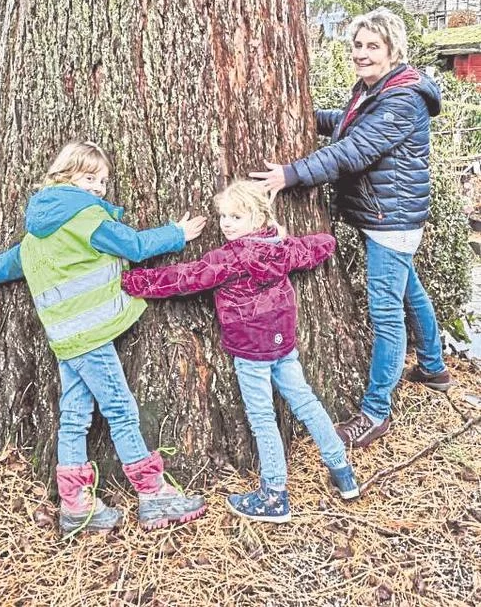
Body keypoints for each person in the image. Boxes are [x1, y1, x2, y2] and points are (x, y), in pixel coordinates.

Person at [0, 141, 208, 535]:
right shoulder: (87, 218)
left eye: (102, 181)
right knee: (120, 409)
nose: (98, 187)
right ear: (65, 175)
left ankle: (76, 505)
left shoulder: (39, 228)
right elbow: (133, 246)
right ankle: (153, 494)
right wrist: (177, 233)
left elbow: (16, 259)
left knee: (75, 416)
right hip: (91, 336)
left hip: (65, 338)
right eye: (89, 178)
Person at [250, 6, 450, 450]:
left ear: (393, 50)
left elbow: (355, 149)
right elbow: (347, 126)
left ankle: (376, 413)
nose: (362, 53)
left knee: (386, 315)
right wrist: (303, 113)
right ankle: (434, 368)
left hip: (391, 221)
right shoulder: (374, 89)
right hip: (386, 215)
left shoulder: (402, 99)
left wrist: (292, 174)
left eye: (372, 46)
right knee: (410, 290)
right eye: (357, 45)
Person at [122, 180, 359, 525]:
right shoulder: (281, 248)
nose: (227, 224)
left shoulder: (229, 258)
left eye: (236, 216)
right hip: (282, 343)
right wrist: (289, 237)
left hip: (250, 350)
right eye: (223, 216)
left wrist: (133, 282)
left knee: (263, 417)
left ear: (258, 216)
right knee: (306, 402)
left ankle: (274, 494)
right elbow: (321, 244)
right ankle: (342, 472)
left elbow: (185, 278)